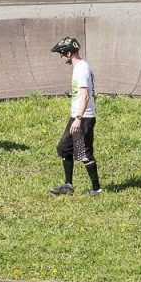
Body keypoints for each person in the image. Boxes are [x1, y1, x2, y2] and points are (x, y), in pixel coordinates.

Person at [49, 37, 101, 196]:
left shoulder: (81, 69)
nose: (61, 57)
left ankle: (96, 188)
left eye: (62, 54)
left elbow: (85, 96)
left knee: (84, 153)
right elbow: (85, 93)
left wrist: (78, 118)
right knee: (64, 148)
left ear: (69, 53)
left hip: (83, 118)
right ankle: (68, 185)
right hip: (78, 115)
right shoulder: (81, 66)